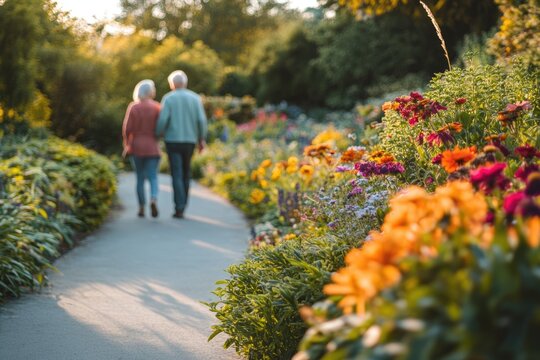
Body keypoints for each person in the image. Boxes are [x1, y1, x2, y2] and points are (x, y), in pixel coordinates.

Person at [156, 70, 207, 219]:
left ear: (172, 84)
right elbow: (202, 121)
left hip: (172, 141)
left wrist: (158, 134)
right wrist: (201, 139)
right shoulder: (195, 98)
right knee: (186, 172)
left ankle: (179, 207)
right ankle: (183, 204)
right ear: (185, 83)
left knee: (176, 173)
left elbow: (162, 120)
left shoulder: (168, 98)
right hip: (190, 141)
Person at [122, 79, 161, 218]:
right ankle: (154, 198)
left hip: (136, 146)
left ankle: (142, 207)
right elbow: (160, 128)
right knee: (153, 176)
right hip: (152, 146)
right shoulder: (157, 107)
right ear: (151, 92)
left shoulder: (133, 107)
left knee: (139, 178)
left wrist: (127, 144)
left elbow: (127, 129)